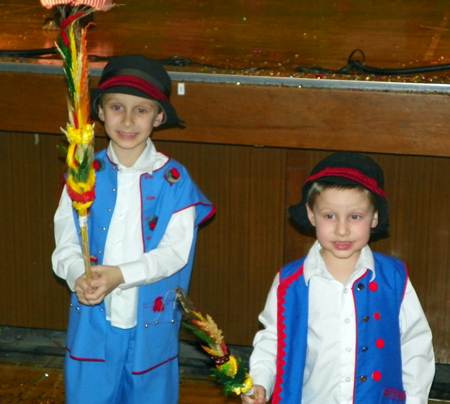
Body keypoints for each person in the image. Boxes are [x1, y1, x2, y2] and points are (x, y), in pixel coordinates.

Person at [52, 55, 215, 404]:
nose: (127, 120)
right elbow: (64, 243)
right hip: (93, 323)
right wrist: (76, 274)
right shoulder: (82, 175)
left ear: (158, 117)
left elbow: (174, 254)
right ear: (100, 112)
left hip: (151, 325)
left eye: (141, 110)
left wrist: (119, 276)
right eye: (116, 107)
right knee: (89, 393)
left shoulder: (175, 182)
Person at [242, 152, 434, 404]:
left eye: (355, 217)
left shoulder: (395, 278)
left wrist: (415, 399)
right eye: (329, 216)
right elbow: (273, 339)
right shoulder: (289, 282)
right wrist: (260, 379)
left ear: (374, 217)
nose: (342, 230)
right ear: (312, 215)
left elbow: (415, 344)